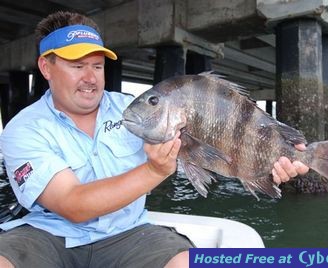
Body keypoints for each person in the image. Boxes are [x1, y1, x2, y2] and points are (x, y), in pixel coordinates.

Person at [0, 11, 308, 268]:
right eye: (77, 66)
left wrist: (275, 163)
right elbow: (72, 204)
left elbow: (221, 148)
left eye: (97, 66)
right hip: (49, 236)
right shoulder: (23, 129)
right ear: (46, 67)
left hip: (130, 235)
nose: (90, 78)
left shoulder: (129, 109)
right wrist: (154, 171)